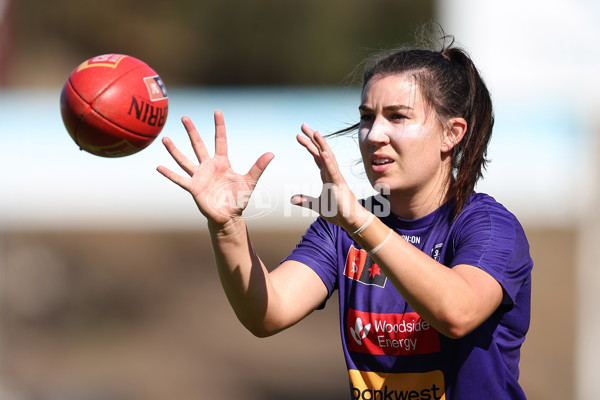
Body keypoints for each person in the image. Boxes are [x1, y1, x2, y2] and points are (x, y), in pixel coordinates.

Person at [157, 30, 533, 399]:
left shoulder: (487, 225)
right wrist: (226, 226)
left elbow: (456, 313)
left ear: (452, 134)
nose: (374, 134)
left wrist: (361, 223)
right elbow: (267, 312)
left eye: (397, 117)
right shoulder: (342, 228)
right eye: (368, 117)